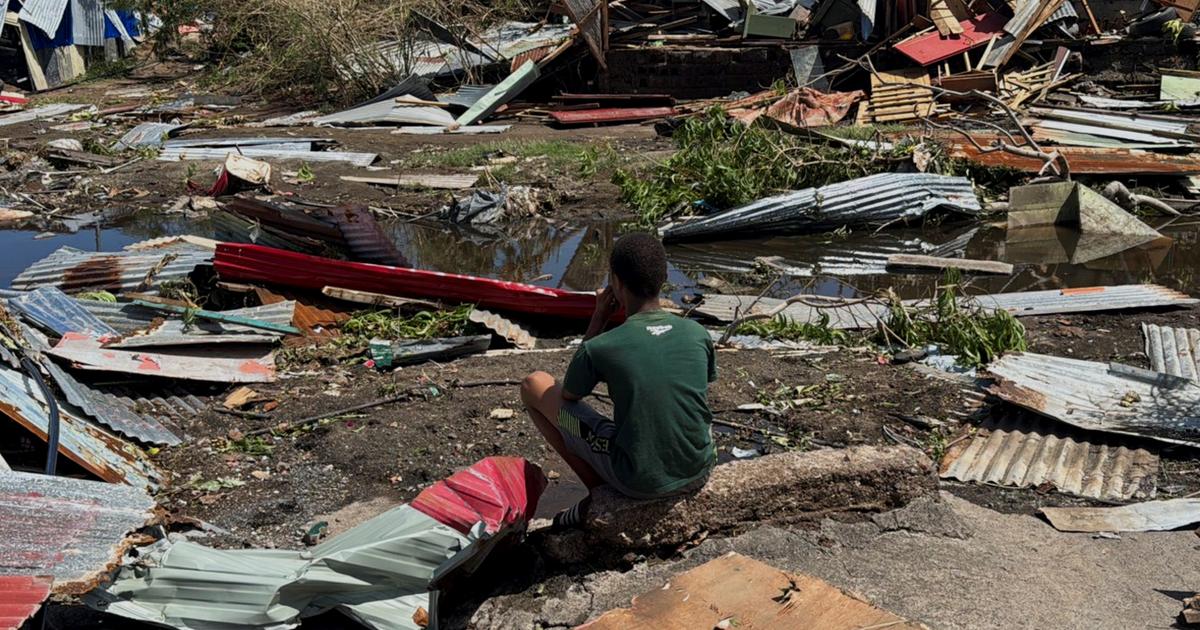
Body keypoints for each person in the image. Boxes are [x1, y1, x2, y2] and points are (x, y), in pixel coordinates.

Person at [520, 232, 717, 529]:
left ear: (616, 281)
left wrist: (598, 319)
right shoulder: (697, 333)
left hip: (639, 479)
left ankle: (598, 492)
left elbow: (571, 393)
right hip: (700, 467)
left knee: (534, 385)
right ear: (663, 279)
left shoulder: (603, 346)